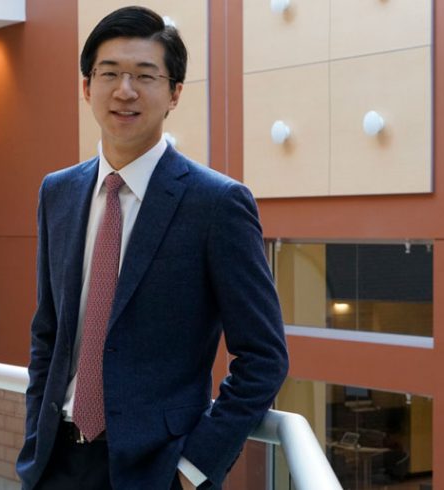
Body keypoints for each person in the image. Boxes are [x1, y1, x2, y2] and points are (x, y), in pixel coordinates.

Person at [16, 6, 289, 489]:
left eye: (145, 75)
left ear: (174, 93)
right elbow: (48, 333)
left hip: (157, 472)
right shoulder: (57, 192)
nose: (125, 90)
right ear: (86, 86)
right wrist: (35, 437)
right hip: (54, 462)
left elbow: (264, 357)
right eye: (110, 73)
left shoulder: (217, 203)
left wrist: (193, 468)